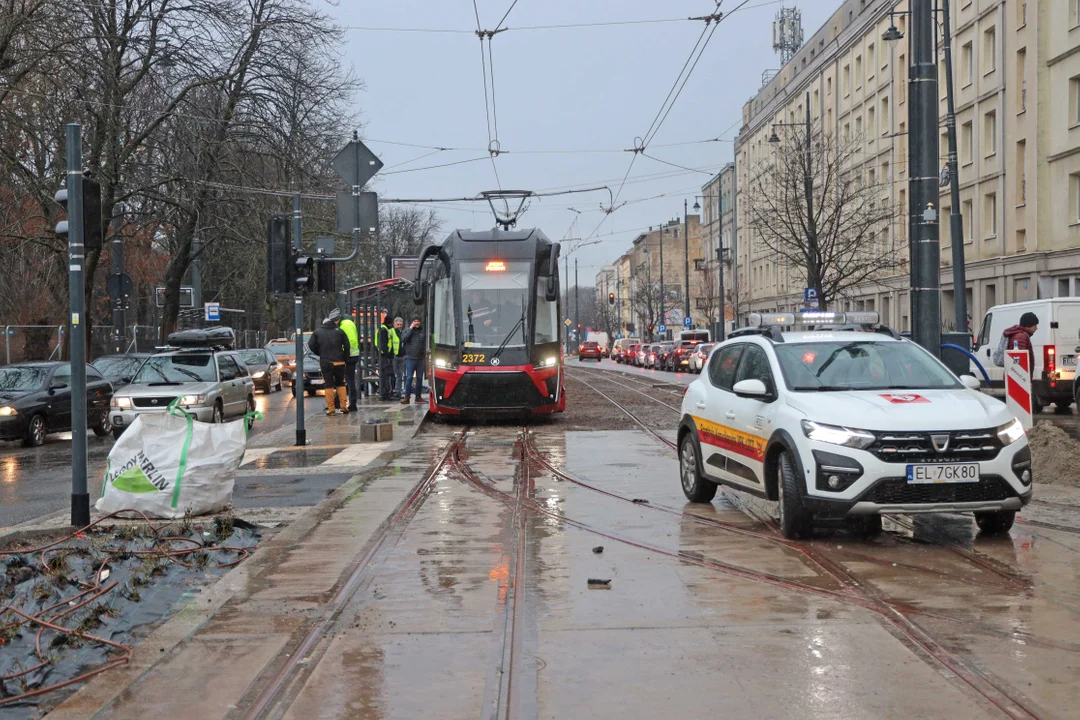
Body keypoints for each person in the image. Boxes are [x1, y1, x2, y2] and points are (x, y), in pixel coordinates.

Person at [308, 309, 349, 415]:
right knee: (341, 383)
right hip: (339, 362)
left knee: (328, 384)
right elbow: (347, 346)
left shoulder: (318, 332)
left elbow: (311, 345)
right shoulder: (340, 331)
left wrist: (320, 353)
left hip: (326, 361)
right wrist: (344, 358)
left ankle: (331, 409)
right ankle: (343, 406)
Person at [400, 316, 425, 405]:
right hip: (410, 358)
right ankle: (407, 396)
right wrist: (410, 329)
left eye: (418, 321)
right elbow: (403, 339)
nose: (417, 323)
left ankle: (418, 397)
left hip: (420, 359)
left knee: (419, 378)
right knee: (409, 378)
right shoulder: (407, 331)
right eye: (415, 321)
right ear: (412, 322)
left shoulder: (423, 331)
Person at [338, 311, 360, 411]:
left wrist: (343, 352)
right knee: (350, 380)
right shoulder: (351, 324)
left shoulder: (345, 325)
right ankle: (352, 403)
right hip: (353, 356)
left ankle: (351, 403)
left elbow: (350, 341)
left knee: (347, 380)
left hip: (348, 356)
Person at [375, 314, 397, 401]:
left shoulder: (381, 328)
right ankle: (387, 393)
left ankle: (385, 392)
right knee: (388, 375)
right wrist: (388, 354)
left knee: (385, 375)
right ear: (389, 323)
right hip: (384, 356)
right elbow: (383, 345)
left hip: (382, 355)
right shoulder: (384, 330)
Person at [393, 317, 406, 400]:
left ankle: (398, 392)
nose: (399, 326)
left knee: (400, 375)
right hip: (394, 356)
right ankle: (394, 391)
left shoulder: (403, 332)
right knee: (395, 375)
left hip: (402, 356)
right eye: (397, 324)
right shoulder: (392, 332)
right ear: (394, 324)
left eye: (400, 324)